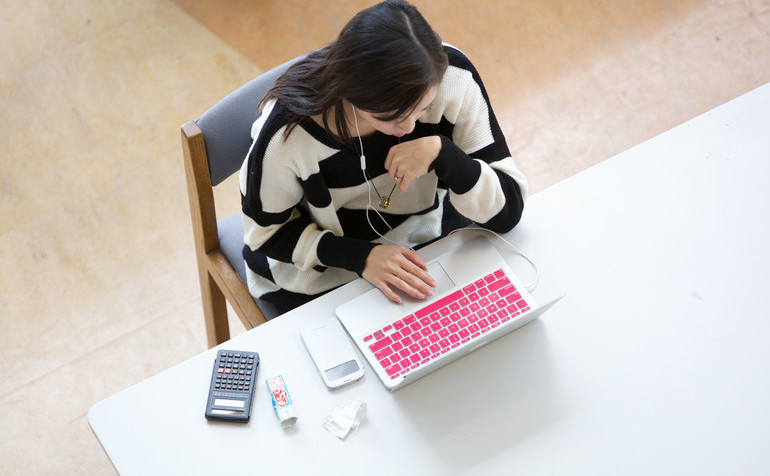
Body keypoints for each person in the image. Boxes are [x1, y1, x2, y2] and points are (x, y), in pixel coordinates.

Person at [240, 0, 527, 316]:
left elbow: (508, 211)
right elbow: (265, 235)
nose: (408, 128)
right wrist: (361, 257)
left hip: (433, 244)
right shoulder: (287, 137)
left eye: (422, 109)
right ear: (350, 92)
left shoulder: (452, 77)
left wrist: (445, 154)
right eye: (390, 117)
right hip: (324, 274)